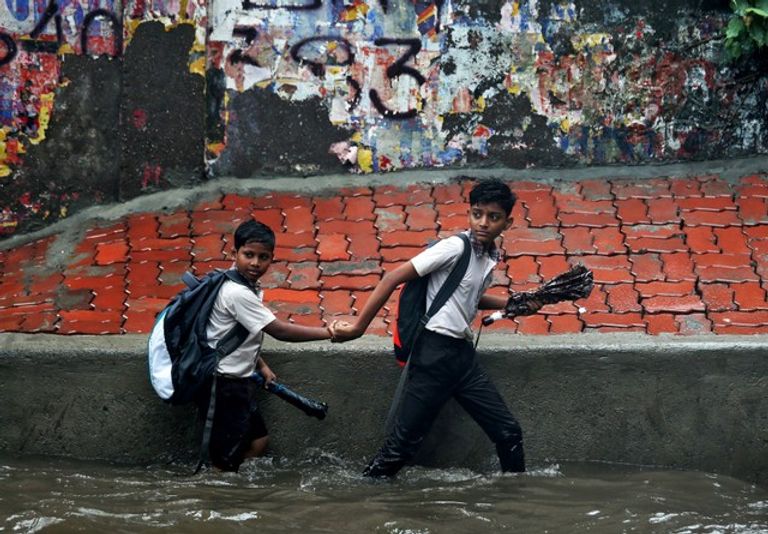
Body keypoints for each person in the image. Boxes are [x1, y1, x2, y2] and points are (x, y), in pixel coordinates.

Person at [333, 178, 542, 477]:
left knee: (508, 432)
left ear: (507, 223)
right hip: (433, 355)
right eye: (477, 214)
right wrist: (357, 328)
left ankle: (514, 499)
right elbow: (392, 277)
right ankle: (364, 500)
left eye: (493, 217)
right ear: (469, 213)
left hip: (462, 359)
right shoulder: (454, 247)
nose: (483, 223)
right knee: (399, 449)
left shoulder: (488, 257)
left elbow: (469, 297)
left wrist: (515, 303)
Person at [202, 219, 344, 472]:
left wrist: (262, 365)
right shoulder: (237, 293)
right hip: (223, 385)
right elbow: (279, 331)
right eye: (248, 255)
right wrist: (329, 333)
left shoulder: (244, 284)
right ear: (234, 254)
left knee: (258, 441)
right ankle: (214, 495)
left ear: (272, 258)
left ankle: (228, 490)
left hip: (240, 381)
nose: (256, 263)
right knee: (225, 458)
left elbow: (237, 333)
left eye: (263, 257)